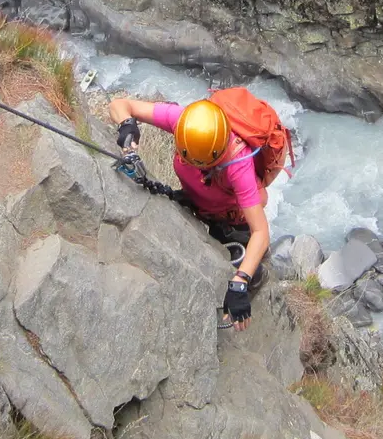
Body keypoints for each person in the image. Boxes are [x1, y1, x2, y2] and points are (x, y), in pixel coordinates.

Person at [106, 95, 270, 330]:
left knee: (243, 258)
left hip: (232, 220)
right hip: (198, 201)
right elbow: (120, 104)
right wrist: (127, 125)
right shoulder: (184, 122)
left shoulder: (238, 163)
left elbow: (261, 231)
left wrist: (241, 281)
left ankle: (257, 275)